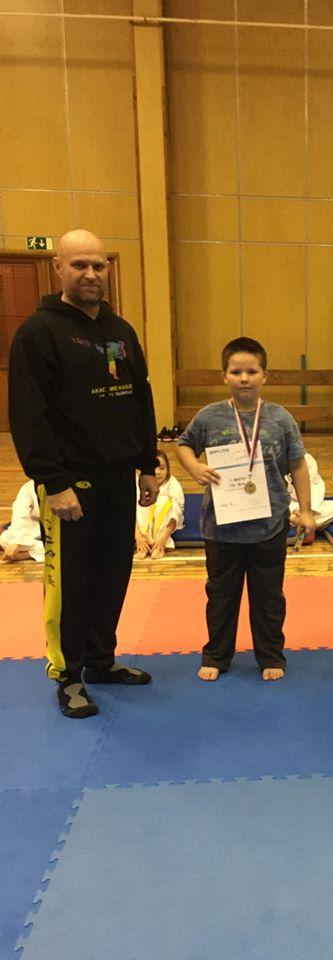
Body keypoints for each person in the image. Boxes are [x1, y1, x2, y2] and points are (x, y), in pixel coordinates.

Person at [8, 229, 158, 719]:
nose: (91, 274)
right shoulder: (38, 332)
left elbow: (140, 397)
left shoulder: (121, 330)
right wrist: (53, 482)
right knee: (70, 581)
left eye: (98, 265)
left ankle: (100, 660)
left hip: (119, 476)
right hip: (70, 482)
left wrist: (147, 463)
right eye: (79, 265)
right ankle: (68, 674)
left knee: (113, 573)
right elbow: (29, 414)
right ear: (58, 268)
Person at [176, 336, 315, 682]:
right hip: (220, 526)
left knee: (269, 597)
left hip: (269, 525)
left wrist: (307, 510)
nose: (244, 378)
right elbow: (183, 445)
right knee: (220, 596)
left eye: (251, 371)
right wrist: (193, 467)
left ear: (264, 375)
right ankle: (216, 655)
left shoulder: (280, 418)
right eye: (236, 371)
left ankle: (270, 655)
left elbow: (298, 466)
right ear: (224, 375)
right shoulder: (209, 416)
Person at [135, 450, 185, 559]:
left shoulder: (173, 483)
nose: (157, 472)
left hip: (163, 533)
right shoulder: (138, 481)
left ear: (168, 469)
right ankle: (143, 546)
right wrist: (138, 537)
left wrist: (163, 537)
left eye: (162, 468)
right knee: (142, 503)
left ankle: (158, 547)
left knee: (164, 501)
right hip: (140, 532)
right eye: (153, 468)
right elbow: (129, 511)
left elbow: (177, 512)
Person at [286, 453, 333, 535]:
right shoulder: (272, 460)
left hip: (305, 506)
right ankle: (306, 525)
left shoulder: (306, 459)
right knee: (273, 516)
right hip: (286, 507)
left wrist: (309, 510)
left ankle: (304, 526)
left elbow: (316, 486)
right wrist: (292, 517)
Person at [0, 480, 44, 563]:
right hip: (35, 526)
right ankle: (37, 552)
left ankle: (27, 554)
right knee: (4, 539)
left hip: (60, 528)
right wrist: (17, 542)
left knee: (64, 546)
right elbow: (20, 515)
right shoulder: (28, 487)